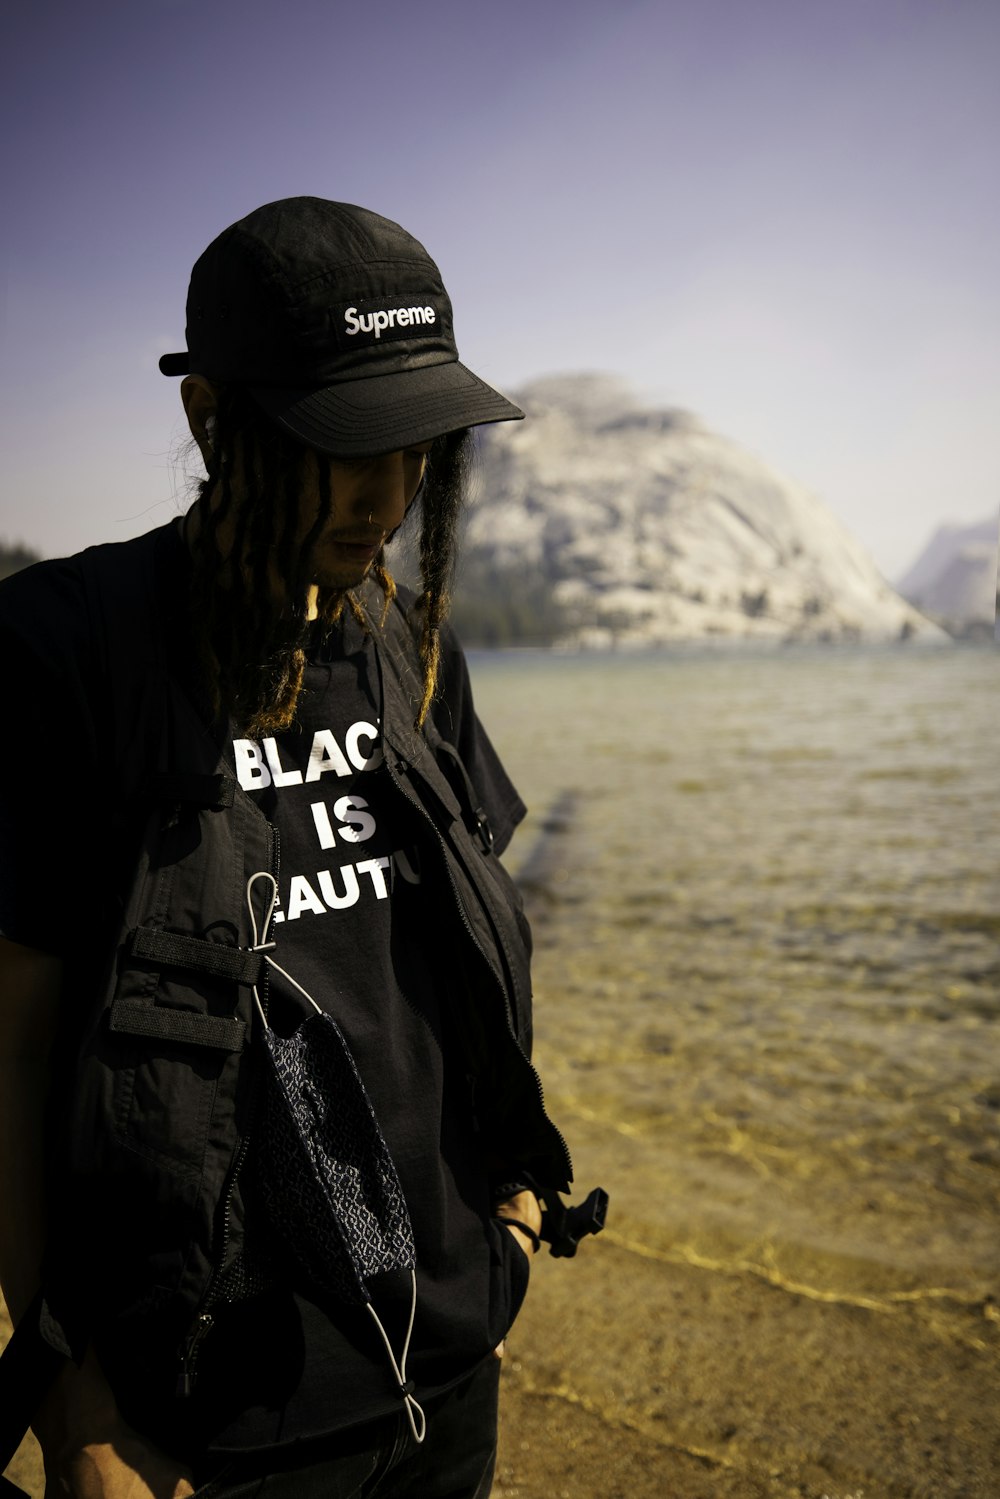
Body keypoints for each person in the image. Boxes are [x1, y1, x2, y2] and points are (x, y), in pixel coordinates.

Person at [0, 197, 575, 1499]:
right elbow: (17, 1040)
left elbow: (456, 963)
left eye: (419, 445)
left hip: (449, 1361)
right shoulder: (65, 654)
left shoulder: (408, 645)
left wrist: (517, 1210)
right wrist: (67, 1392)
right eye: (344, 447)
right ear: (212, 420)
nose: (391, 493)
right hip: (200, 1417)